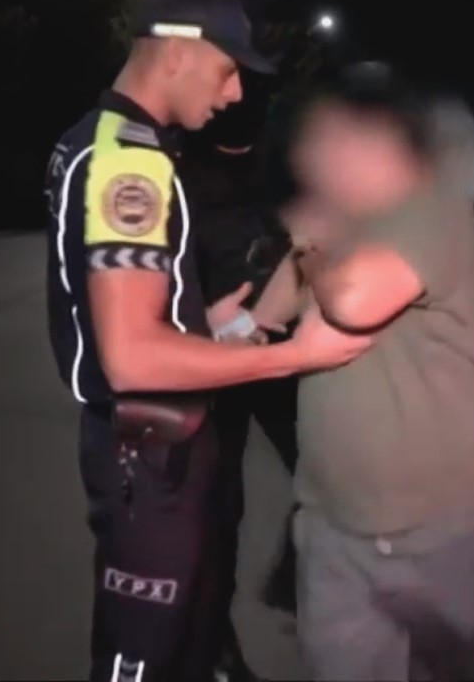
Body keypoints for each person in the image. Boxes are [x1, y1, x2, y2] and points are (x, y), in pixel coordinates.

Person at [42, 0, 371, 682]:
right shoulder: (130, 164)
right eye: (227, 71)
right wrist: (294, 357)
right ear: (176, 52)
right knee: (144, 656)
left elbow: (116, 311)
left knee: (190, 641)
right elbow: (131, 357)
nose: (232, 94)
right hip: (147, 454)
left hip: (153, 449)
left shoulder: (100, 140)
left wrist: (204, 322)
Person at [274, 65, 474, 681]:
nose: (312, 157)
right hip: (335, 524)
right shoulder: (345, 221)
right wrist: (238, 327)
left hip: (438, 530)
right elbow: (272, 312)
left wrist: (307, 246)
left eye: (331, 138)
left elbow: (351, 303)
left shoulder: (431, 210)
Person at [180, 96, 304, 682]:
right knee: (217, 511)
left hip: (281, 353)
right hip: (214, 359)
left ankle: (304, 586)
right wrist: (201, 326)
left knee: (324, 476)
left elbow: (310, 245)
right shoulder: (178, 169)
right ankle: (215, 650)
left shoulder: (283, 162)